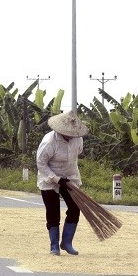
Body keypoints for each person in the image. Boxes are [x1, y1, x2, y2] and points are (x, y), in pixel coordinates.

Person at [36, 110, 89, 256]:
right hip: (49, 178)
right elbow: (41, 164)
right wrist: (56, 178)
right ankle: (54, 246)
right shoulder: (49, 142)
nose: (71, 136)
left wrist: (66, 177)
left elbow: (76, 154)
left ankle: (66, 242)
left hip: (70, 176)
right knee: (53, 211)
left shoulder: (78, 139)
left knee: (75, 208)